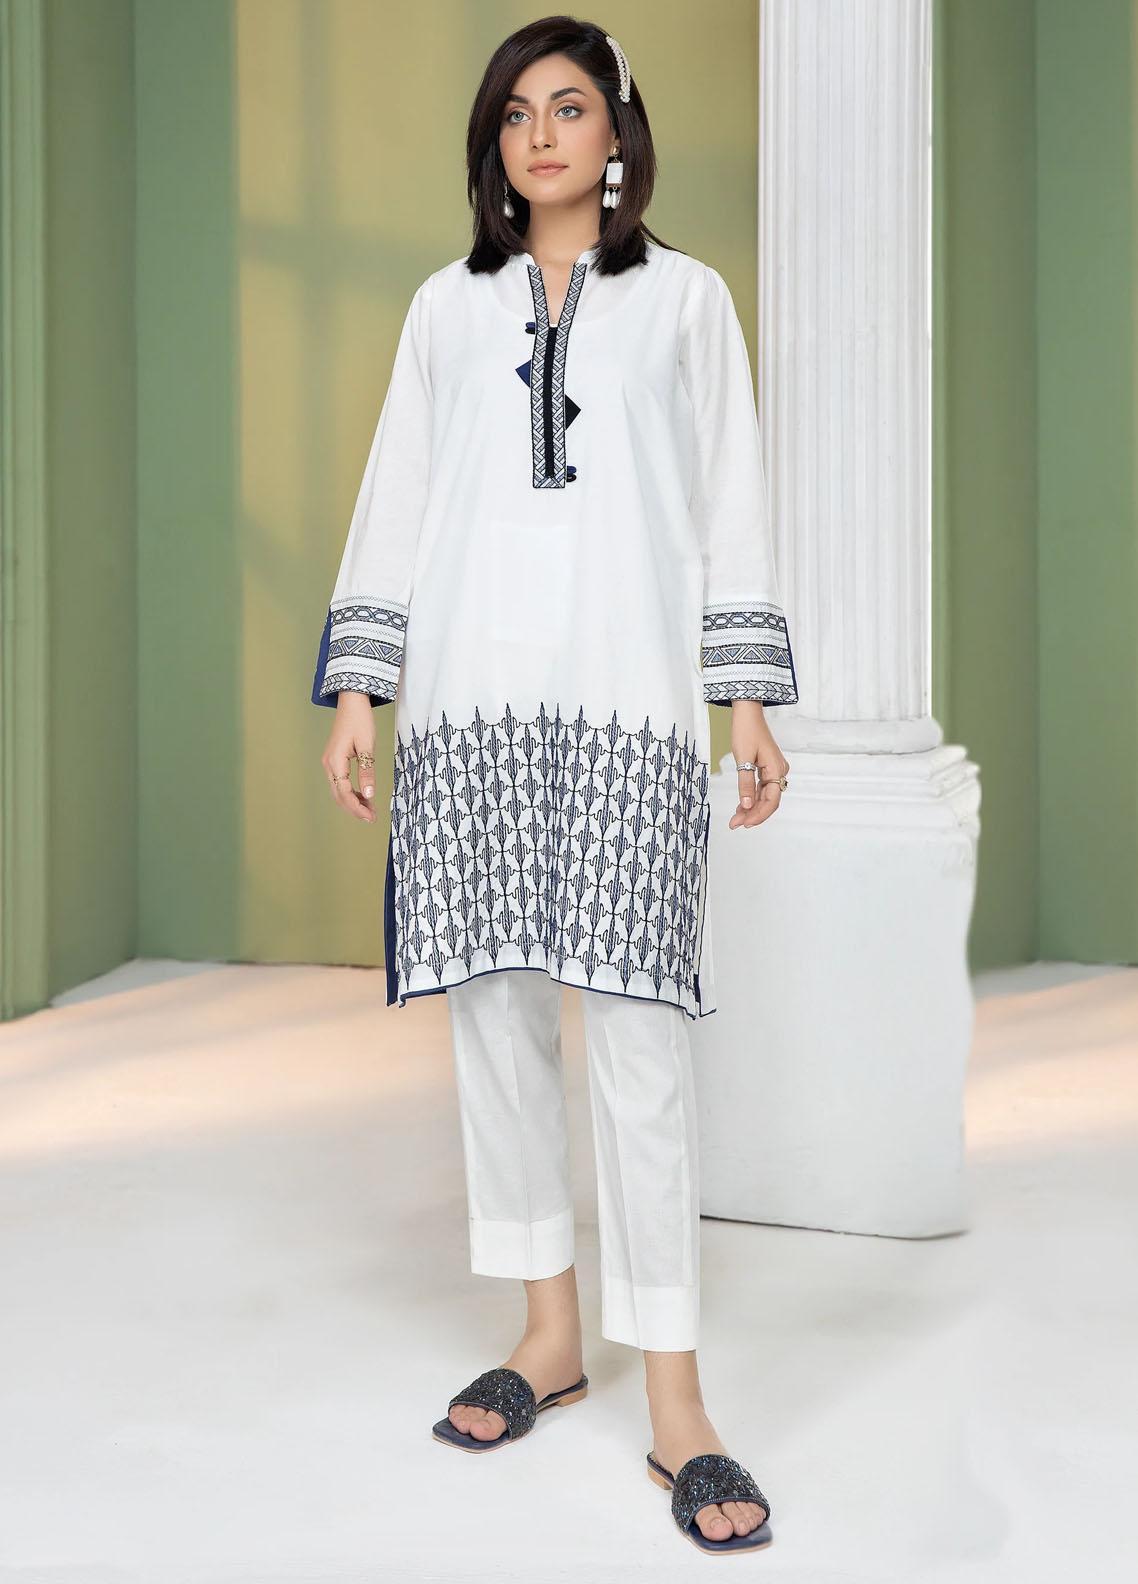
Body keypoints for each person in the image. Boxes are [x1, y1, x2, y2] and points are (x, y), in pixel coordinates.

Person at [312, 16, 797, 1557]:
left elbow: (729, 504)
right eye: (516, 111)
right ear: (494, 143)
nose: (539, 134)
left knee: (640, 1041)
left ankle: (678, 1402)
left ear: (616, 132)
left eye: (568, 107)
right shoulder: (445, 309)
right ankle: (545, 1336)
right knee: (498, 1022)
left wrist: (741, 702)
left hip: (627, 707)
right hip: (469, 709)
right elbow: (398, 496)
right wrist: (362, 687)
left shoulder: (685, 302)